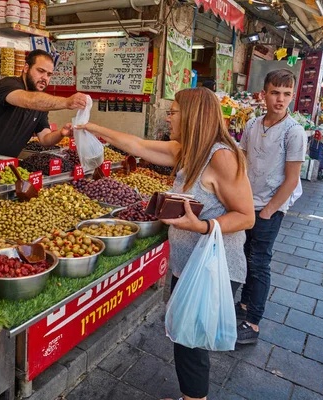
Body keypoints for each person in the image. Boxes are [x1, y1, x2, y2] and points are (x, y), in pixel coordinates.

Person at [77, 87, 255, 400]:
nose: (169, 117)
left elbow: (246, 216)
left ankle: (194, 398)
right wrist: (92, 127)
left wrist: (201, 225)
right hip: (189, 262)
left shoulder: (222, 157)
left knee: (191, 345)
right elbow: (138, 145)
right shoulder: (189, 150)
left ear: (192, 116)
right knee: (186, 338)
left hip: (214, 267)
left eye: (173, 111)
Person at [236, 69, 306, 344]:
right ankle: (243, 305)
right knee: (244, 257)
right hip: (246, 204)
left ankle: (252, 322)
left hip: (269, 208)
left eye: (287, 94)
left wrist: (267, 211)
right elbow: (242, 159)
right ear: (263, 94)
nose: (280, 99)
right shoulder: (252, 125)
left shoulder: (294, 132)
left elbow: (291, 180)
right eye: (275, 93)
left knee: (260, 262)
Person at [0, 50, 87, 157]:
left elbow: (45, 139)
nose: (45, 78)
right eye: (40, 71)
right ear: (26, 68)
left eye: (49, 74)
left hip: (3, 167)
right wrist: (67, 102)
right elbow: (28, 100)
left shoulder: (40, 105)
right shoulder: (8, 85)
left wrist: (60, 133)